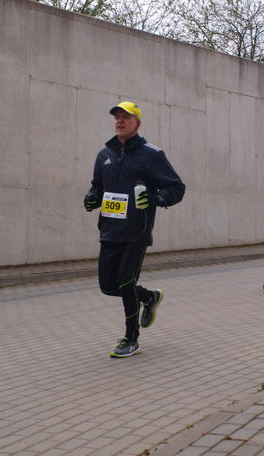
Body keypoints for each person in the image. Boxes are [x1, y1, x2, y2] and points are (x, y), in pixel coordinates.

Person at [84, 101, 185, 357]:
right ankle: (149, 298)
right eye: (116, 117)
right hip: (109, 229)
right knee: (108, 286)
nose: (119, 121)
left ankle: (131, 338)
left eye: (125, 117)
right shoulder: (104, 155)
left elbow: (176, 187)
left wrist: (157, 198)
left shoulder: (151, 154)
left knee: (127, 282)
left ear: (137, 123)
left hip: (136, 231)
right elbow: (97, 186)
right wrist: (92, 197)